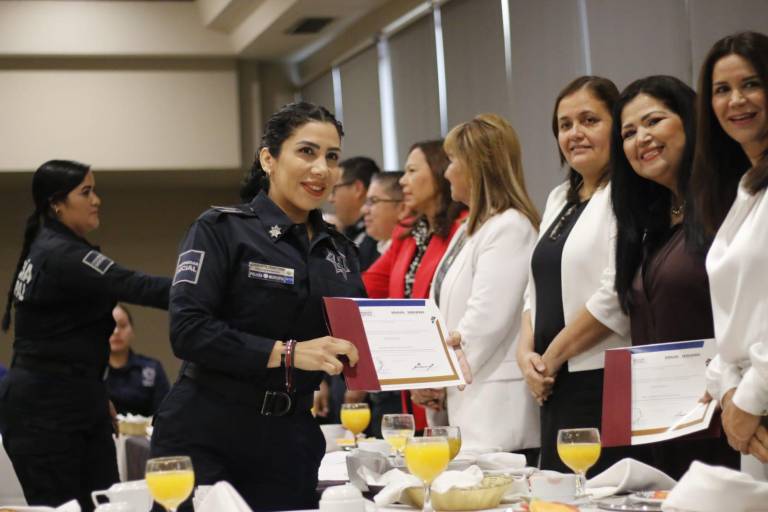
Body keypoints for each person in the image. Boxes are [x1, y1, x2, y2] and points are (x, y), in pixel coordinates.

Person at [149, 102, 365, 512]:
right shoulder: (221, 229)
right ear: (269, 158)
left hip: (291, 440)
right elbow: (188, 330)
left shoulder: (341, 251)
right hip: (207, 429)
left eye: (331, 157)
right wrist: (288, 353)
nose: (321, 168)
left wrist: (434, 349)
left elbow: (360, 340)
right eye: (307, 152)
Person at [0, 160, 170, 511]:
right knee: (67, 507)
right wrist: (207, 289)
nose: (97, 200)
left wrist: (91, 390)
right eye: (86, 192)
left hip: (70, 396)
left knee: (104, 502)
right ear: (56, 204)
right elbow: (134, 286)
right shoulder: (61, 254)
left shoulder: (51, 247)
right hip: (47, 410)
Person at [611, 75, 738, 479]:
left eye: (653, 121)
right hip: (661, 428)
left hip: (728, 420)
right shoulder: (651, 223)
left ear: (690, 120)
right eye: (629, 132)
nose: (640, 138)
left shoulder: (731, 204)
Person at [517, 76, 632, 474]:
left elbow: (614, 295)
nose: (575, 133)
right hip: (553, 382)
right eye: (565, 125)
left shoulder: (627, 194)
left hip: (599, 378)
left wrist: (548, 359)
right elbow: (534, 288)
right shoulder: (558, 196)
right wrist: (524, 353)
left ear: (616, 127)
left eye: (589, 120)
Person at [413, 114, 541, 464]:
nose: (446, 171)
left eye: (453, 160)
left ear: (476, 167)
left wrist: (438, 377)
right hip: (465, 401)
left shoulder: (511, 227)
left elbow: (486, 320)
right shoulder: (468, 229)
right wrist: (430, 375)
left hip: (497, 414)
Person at [690, 31, 768, 478]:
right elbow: (733, 320)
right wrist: (729, 394)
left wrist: (748, 399)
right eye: (722, 90)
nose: (736, 100)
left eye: (751, 84)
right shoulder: (746, 187)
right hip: (749, 409)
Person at [363, 140, 467, 432]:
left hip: (453, 374)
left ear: (439, 173)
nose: (402, 181)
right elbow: (367, 286)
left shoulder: (463, 228)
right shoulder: (408, 233)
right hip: (413, 377)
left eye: (411, 171)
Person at [106, 304, 170, 417]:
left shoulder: (152, 369)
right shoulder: (92, 371)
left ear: (132, 331)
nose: (116, 331)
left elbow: (164, 413)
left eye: (122, 325)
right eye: (111, 326)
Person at [328, 156, 381, 270]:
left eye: (334, 189)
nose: (330, 199)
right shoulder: (349, 232)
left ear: (358, 188)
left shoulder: (378, 234)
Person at [362, 171, 407, 255]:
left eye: (373, 201)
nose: (364, 210)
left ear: (402, 208)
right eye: (366, 202)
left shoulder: (411, 254)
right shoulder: (370, 250)